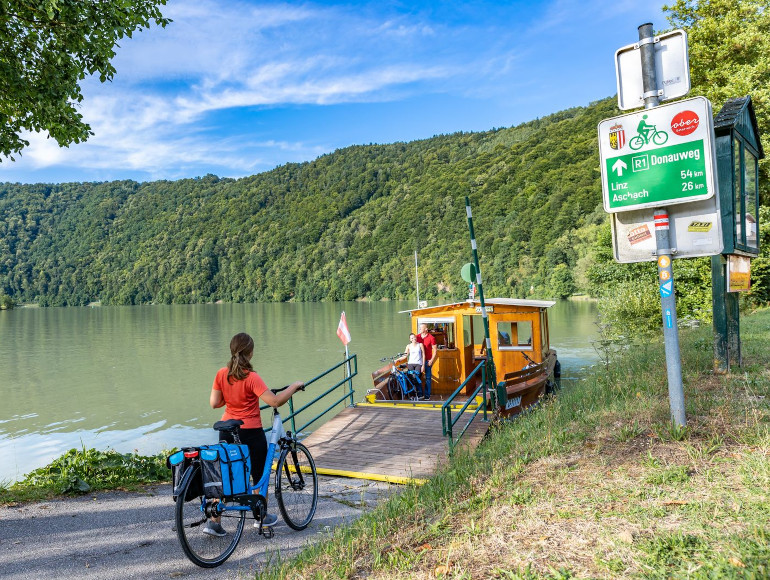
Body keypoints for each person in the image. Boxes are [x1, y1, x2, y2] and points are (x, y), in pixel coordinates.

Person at [206, 332, 304, 536]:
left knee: (226, 475)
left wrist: (233, 400)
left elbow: (215, 403)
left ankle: (214, 522)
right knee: (260, 475)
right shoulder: (251, 377)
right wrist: (294, 387)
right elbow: (275, 401)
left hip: (226, 429)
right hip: (250, 431)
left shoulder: (221, 374)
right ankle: (261, 518)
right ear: (250, 353)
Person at [416, 323, 436, 401]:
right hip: (418, 361)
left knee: (428, 378)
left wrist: (431, 360)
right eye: (419, 328)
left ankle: (427, 396)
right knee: (417, 377)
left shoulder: (431, 338)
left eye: (421, 328)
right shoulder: (417, 337)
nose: (420, 329)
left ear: (426, 329)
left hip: (428, 361)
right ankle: (420, 394)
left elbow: (435, 350)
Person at [405, 333, 425, 398]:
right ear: (410, 339)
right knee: (411, 378)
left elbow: (423, 355)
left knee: (417, 377)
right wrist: (397, 359)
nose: (414, 339)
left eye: (414, 337)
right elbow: (405, 355)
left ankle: (420, 394)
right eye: (412, 338)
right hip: (411, 363)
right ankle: (413, 394)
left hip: (418, 363)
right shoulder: (408, 346)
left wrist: (423, 365)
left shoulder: (420, 345)